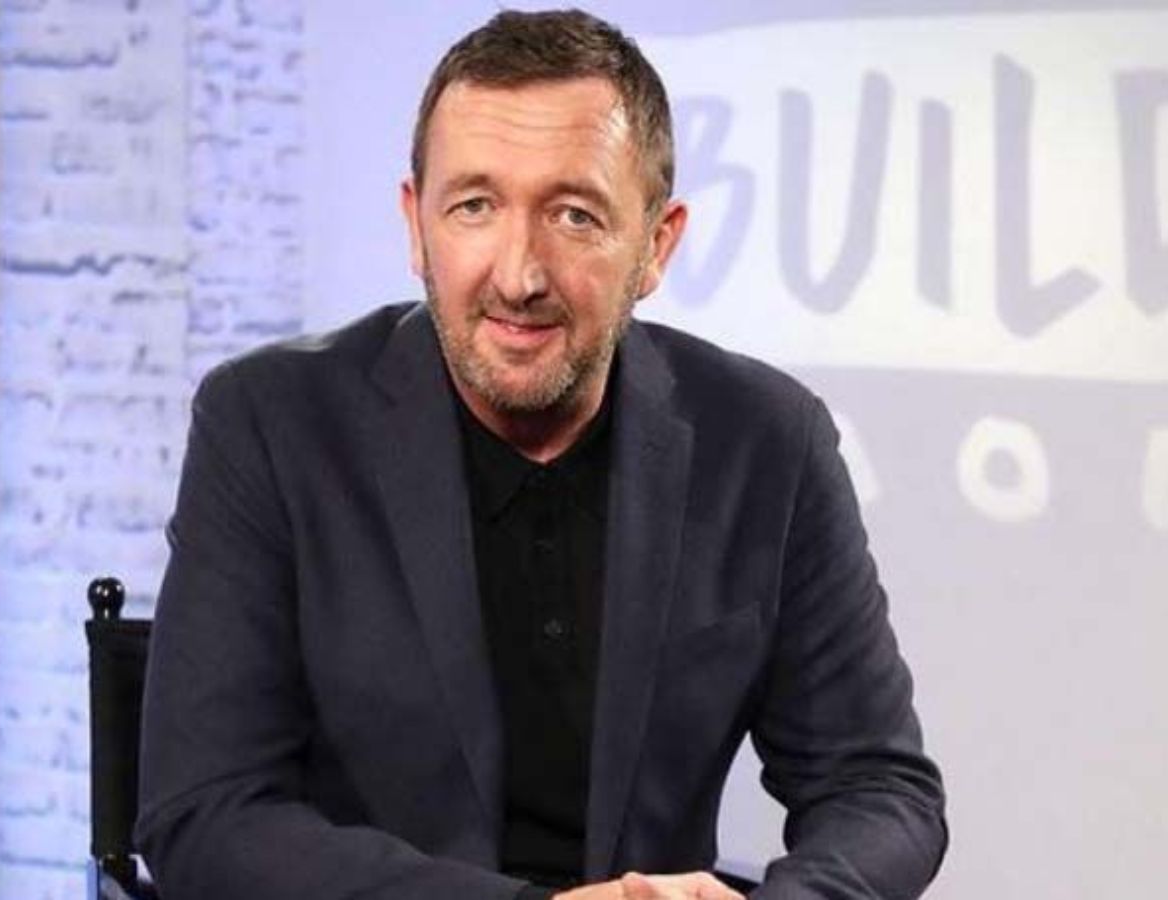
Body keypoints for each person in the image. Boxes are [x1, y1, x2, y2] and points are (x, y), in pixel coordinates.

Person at [135, 9, 947, 900]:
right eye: (474, 207)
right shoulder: (270, 424)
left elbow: (879, 790)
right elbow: (206, 815)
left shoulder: (766, 442)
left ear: (656, 245)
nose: (519, 274)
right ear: (416, 226)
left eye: (574, 215)